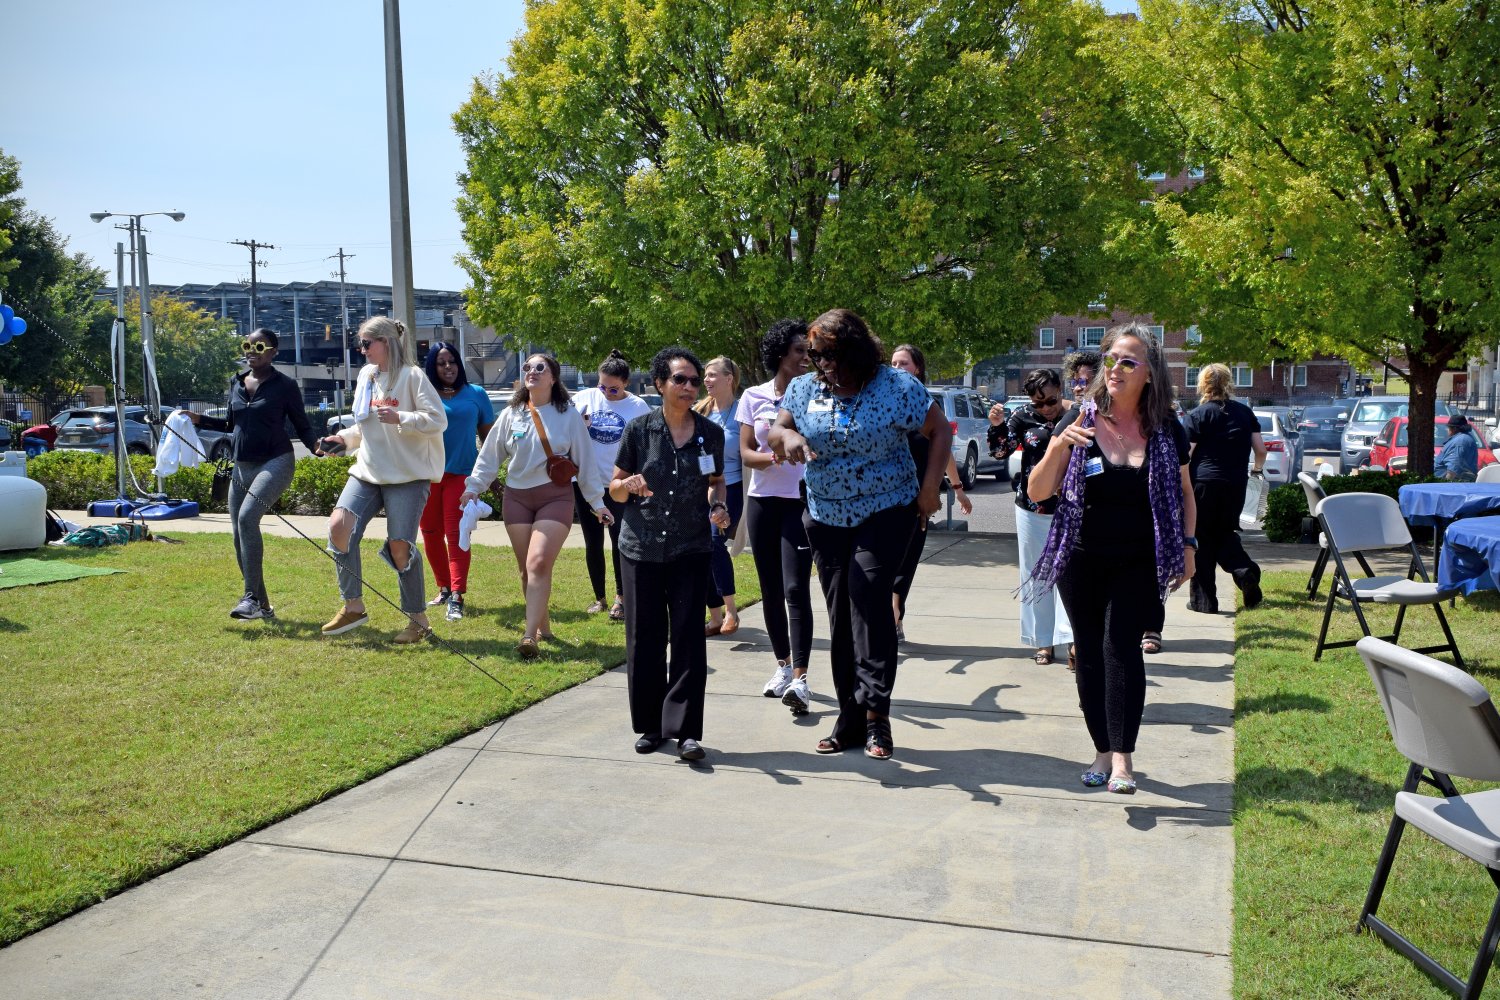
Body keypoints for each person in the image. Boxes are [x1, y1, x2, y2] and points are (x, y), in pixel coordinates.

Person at [770, 309, 951, 761]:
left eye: (829, 354)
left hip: (887, 508)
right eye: (814, 355)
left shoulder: (895, 386)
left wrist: (930, 490)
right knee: (839, 614)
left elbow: (939, 430)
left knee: (867, 594)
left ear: (854, 349)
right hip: (825, 513)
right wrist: (785, 437)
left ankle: (876, 716)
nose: (820, 363)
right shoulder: (805, 387)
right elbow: (777, 427)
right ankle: (850, 717)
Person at [1024, 323, 1196, 795]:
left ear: (1149, 373)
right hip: (1080, 558)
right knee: (1089, 654)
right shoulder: (1078, 420)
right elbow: (1038, 492)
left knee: (1120, 648)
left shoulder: (1165, 428)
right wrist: (1059, 444)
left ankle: (1122, 759)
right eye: (1110, 360)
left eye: (1127, 362)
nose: (1114, 369)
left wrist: (1188, 546)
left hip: (1139, 559)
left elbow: (1184, 494)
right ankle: (1100, 750)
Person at [610, 347, 731, 761]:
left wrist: (718, 506)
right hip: (640, 547)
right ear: (659, 384)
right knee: (644, 640)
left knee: (687, 640)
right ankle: (651, 726)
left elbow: (715, 481)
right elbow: (614, 486)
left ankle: (686, 732)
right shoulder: (640, 430)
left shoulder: (710, 433)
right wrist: (630, 484)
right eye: (680, 379)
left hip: (690, 547)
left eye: (694, 380)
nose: (689, 387)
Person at [463, 353, 610, 659]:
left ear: (553, 377)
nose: (531, 371)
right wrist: (473, 488)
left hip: (555, 497)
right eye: (527, 367)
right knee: (526, 571)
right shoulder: (512, 413)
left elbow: (585, 461)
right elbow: (490, 456)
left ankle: (529, 636)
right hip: (517, 498)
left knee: (538, 562)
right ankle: (544, 626)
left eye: (539, 367)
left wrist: (597, 503)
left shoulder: (567, 413)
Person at [319, 317, 448, 643]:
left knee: (400, 548)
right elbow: (364, 426)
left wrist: (401, 416)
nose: (361, 350)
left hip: (409, 475)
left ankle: (418, 620)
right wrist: (342, 440)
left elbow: (438, 420)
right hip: (368, 471)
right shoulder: (367, 376)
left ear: (386, 342)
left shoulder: (413, 376)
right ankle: (353, 606)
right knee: (339, 526)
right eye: (360, 344)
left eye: (366, 344)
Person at [190, 328, 323, 621]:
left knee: (247, 518)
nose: (251, 350)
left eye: (258, 346)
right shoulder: (236, 383)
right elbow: (230, 425)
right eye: (246, 345)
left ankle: (248, 597)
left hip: (276, 461)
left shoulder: (285, 385)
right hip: (241, 465)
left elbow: (302, 424)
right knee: (239, 534)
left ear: (273, 351)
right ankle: (262, 606)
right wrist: (197, 420)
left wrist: (315, 445)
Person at [737, 319, 818, 715]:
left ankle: (802, 680)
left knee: (794, 588)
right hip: (762, 503)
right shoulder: (754, 396)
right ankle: (783, 667)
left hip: (801, 503)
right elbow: (746, 454)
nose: (806, 357)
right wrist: (776, 456)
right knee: (769, 588)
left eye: (809, 351)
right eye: (799, 351)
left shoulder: (817, 394)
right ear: (780, 354)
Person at [888, 343, 972, 645]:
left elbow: (944, 449)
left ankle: (895, 612)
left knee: (907, 560)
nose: (897, 369)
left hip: (919, 499)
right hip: (886, 497)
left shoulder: (926, 405)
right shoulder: (881, 403)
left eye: (904, 364)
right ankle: (892, 616)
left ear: (918, 368)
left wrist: (958, 490)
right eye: (893, 363)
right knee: (886, 559)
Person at [998, 368, 1074, 666]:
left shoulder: (1078, 414)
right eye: (1038, 403)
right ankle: (1043, 641)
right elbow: (1000, 451)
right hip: (1032, 507)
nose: (1045, 409)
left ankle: (1073, 640)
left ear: (1060, 389)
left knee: (1070, 575)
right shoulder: (1022, 416)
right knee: (1036, 573)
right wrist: (997, 426)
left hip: (1071, 507)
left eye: (1051, 400)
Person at [418, 341, 495, 622]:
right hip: (427, 476)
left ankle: (458, 596)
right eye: (441, 363)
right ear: (432, 367)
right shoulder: (422, 394)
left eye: (452, 361)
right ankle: (444, 588)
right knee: (429, 534)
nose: (448, 367)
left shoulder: (476, 394)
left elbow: (489, 441)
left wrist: (491, 476)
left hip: (461, 475)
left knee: (458, 534)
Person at [1182, 363, 1267, 614]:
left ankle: (1204, 602)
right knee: (1224, 533)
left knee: (1200, 539)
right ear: (1229, 383)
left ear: (1202, 385)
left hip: (1202, 485)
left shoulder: (1197, 415)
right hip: (1235, 484)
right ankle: (1245, 572)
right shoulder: (1244, 413)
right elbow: (1260, 451)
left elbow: (1185, 456)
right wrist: (1256, 472)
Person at [572, 350, 651, 620]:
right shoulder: (583, 399)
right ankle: (600, 598)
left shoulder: (638, 407)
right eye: (601, 385)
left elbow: (647, 447)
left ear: (626, 383)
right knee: (592, 543)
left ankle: (621, 597)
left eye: (614, 388)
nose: (606, 392)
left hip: (619, 485)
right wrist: (577, 425)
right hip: (586, 484)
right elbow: (562, 429)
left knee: (620, 541)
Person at [696, 356, 744, 637]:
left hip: (733, 488)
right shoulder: (700, 411)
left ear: (730, 379)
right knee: (699, 549)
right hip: (702, 489)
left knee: (714, 540)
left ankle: (730, 610)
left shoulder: (741, 413)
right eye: (706, 375)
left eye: (713, 375)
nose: (706, 380)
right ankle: (714, 617)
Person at [1437, 413, 1480, 482]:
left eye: (1448, 428)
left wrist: (1445, 486)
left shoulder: (1459, 442)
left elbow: (1453, 468)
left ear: (1454, 429)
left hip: (1449, 485)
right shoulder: (1465, 438)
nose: (1447, 430)